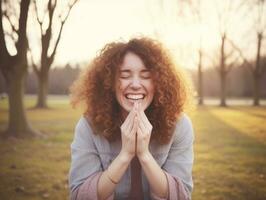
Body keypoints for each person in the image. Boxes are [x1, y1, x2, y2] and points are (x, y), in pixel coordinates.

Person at [68, 37, 195, 200]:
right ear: (110, 83)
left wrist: (144, 155)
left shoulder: (179, 126)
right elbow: (80, 195)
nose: (135, 84)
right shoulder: (88, 126)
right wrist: (125, 155)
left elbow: (181, 195)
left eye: (146, 75)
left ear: (158, 83)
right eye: (125, 75)